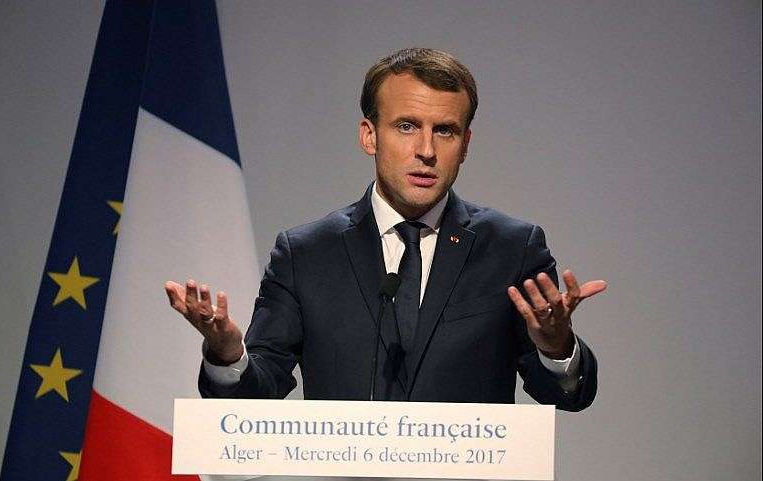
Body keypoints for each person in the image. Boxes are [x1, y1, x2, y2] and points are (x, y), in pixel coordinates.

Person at [165, 48, 606, 409]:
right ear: (369, 136)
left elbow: (567, 395)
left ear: (466, 145)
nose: (427, 150)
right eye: (408, 126)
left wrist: (556, 347)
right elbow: (254, 395)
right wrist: (228, 355)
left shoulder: (512, 249)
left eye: (446, 131)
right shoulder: (306, 254)